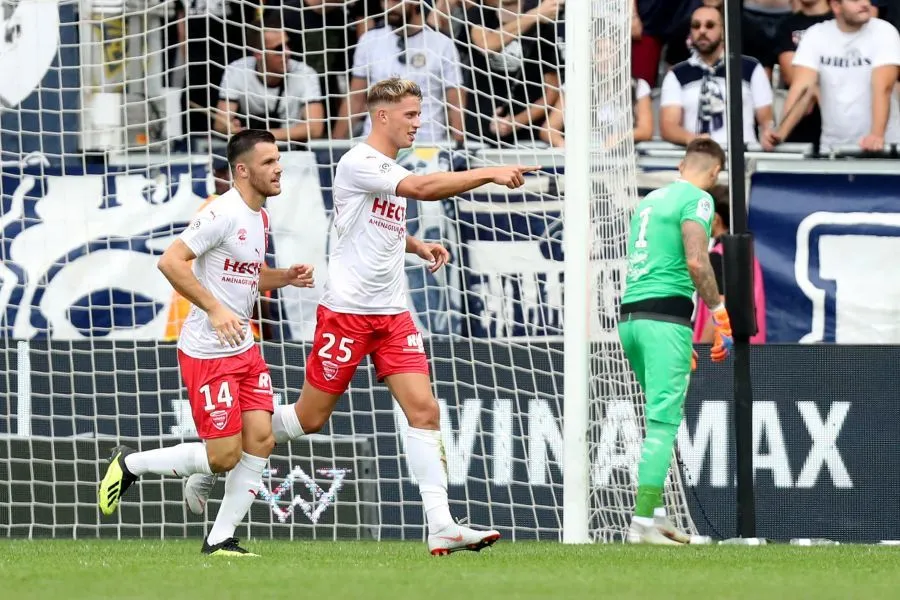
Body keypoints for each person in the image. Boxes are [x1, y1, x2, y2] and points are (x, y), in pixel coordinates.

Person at [185, 77, 537, 556]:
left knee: (425, 409)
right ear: (383, 117)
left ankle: (441, 524)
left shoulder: (387, 167)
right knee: (309, 419)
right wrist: (488, 171)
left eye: (419, 113)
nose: (418, 122)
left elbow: (380, 223)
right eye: (410, 115)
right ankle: (213, 464)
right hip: (347, 315)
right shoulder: (359, 161)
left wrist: (415, 246)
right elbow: (424, 187)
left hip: (392, 315)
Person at [98, 130, 316, 557]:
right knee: (222, 457)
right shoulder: (222, 213)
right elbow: (170, 262)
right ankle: (130, 465)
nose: (278, 169)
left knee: (261, 440)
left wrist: (284, 276)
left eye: (278, 161)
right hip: (208, 354)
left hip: (244, 349)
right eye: (268, 162)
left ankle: (220, 539)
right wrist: (216, 310)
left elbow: (248, 275)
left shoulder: (261, 216)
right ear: (242, 170)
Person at [618, 137, 733, 545]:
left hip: (631, 318)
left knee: (657, 421)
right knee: (663, 424)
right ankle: (642, 525)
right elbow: (696, 260)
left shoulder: (649, 201)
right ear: (714, 173)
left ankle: (661, 516)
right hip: (665, 318)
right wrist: (720, 315)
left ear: (682, 164)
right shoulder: (700, 200)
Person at [763, 0, 900, 152]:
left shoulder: (884, 31)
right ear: (836, 6)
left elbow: (883, 87)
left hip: (884, 146)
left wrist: (876, 135)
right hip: (833, 147)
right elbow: (802, 89)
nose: (864, 4)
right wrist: (780, 132)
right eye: (855, 0)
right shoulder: (816, 35)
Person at [692, 185, 766, 345]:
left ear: (716, 219)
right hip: (750, 351)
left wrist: (702, 351)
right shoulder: (749, 258)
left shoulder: (717, 257)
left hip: (721, 354)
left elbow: (720, 309)